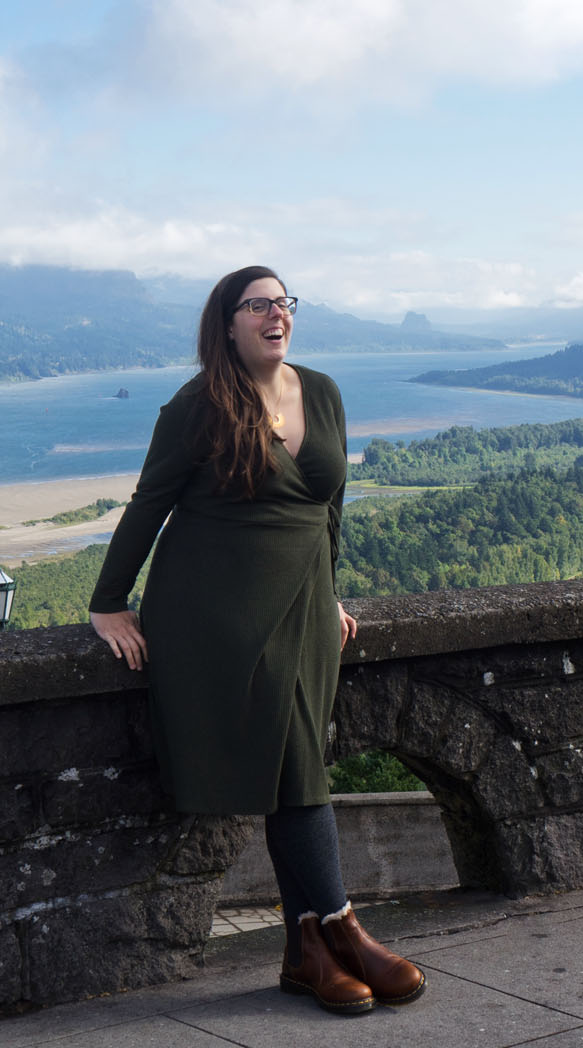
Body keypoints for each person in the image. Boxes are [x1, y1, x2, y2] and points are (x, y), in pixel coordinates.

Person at [89, 265, 426, 1015]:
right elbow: (149, 503)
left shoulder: (325, 393)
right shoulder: (199, 404)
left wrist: (330, 592)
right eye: (258, 304)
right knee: (299, 757)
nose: (277, 314)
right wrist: (108, 603)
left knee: (289, 767)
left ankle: (306, 953)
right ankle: (344, 927)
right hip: (216, 609)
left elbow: (330, 509)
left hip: (304, 603)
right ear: (229, 323)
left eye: (284, 302)